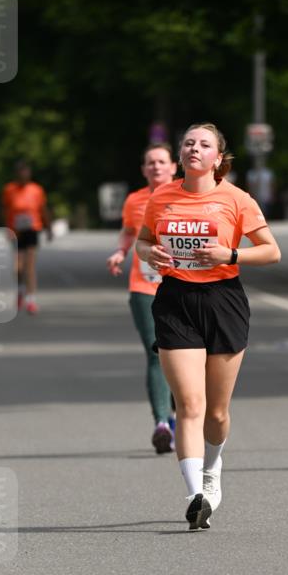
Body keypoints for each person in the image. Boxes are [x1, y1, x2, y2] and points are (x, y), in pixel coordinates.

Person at [136, 122, 281, 530]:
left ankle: (213, 471)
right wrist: (152, 255)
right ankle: (194, 494)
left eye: (203, 145)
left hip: (223, 302)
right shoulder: (161, 196)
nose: (193, 148)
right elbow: (142, 241)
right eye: (188, 143)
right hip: (175, 301)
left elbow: (272, 251)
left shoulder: (236, 199)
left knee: (216, 413)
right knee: (189, 405)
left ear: (218, 158)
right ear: (180, 154)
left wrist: (229, 253)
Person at [107, 143, 177, 453]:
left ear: (173, 167)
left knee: (186, 356)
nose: (156, 167)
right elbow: (128, 231)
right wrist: (121, 251)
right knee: (156, 352)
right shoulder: (135, 199)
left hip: (183, 285)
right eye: (150, 163)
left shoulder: (185, 196)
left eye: (162, 162)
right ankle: (161, 422)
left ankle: (179, 415)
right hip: (144, 286)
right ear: (143, 170)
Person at [1, 161, 51, 314]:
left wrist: (49, 228)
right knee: (18, 267)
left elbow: (43, 209)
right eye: (21, 173)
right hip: (16, 231)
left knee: (29, 266)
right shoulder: (9, 190)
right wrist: (7, 228)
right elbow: (4, 209)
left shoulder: (36, 190)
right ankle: (20, 290)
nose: (24, 175)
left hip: (32, 229)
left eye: (26, 172)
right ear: (17, 174)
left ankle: (31, 300)